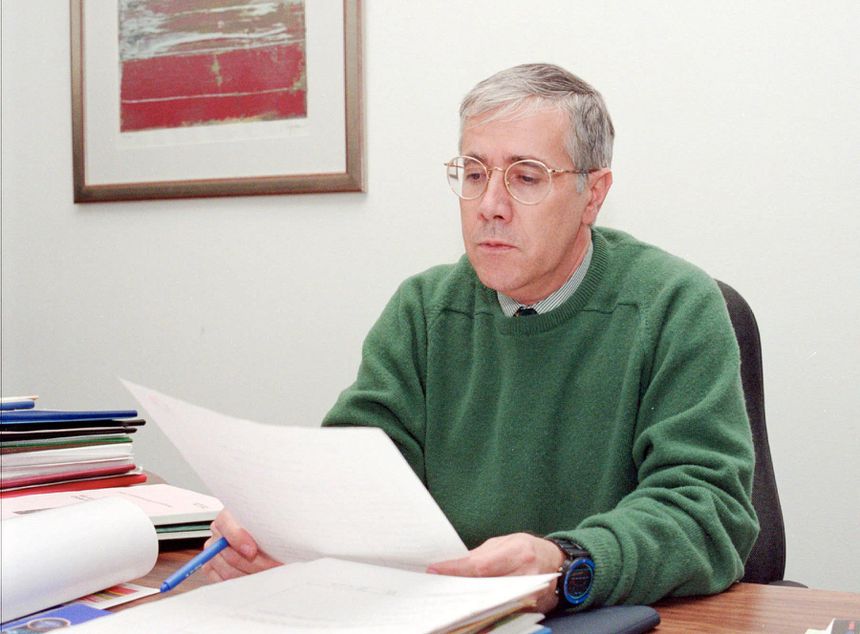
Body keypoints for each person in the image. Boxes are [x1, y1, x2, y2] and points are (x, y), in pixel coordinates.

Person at [204, 63, 759, 613]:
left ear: (593, 195)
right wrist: (281, 526)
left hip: (605, 617)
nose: (490, 205)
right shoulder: (424, 310)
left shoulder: (673, 305)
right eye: (474, 174)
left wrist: (567, 564)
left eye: (526, 177)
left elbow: (709, 512)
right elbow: (358, 476)